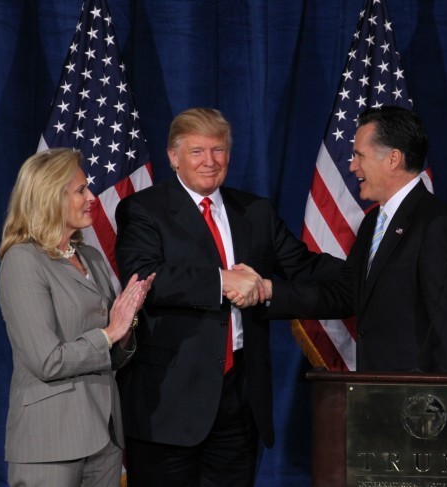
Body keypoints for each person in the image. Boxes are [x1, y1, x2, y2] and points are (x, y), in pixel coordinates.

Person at [114, 107, 343, 486]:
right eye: (197, 151)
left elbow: (304, 267)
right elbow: (145, 278)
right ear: (173, 157)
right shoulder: (143, 209)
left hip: (239, 400)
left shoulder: (255, 211)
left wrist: (367, 270)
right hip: (169, 404)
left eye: (218, 150)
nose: (210, 161)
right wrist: (223, 281)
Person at [271, 106, 447, 372]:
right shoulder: (372, 222)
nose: (353, 166)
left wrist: (433, 406)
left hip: (413, 401)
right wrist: (268, 292)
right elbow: (345, 295)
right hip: (375, 391)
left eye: (359, 155)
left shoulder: (435, 225)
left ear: (393, 159)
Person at [0, 148, 155, 486]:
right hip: (50, 442)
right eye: (81, 190)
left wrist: (125, 327)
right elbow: (47, 360)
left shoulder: (92, 257)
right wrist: (112, 332)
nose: (92, 197)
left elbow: (112, 353)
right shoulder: (23, 261)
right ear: (51, 197)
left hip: (104, 435)